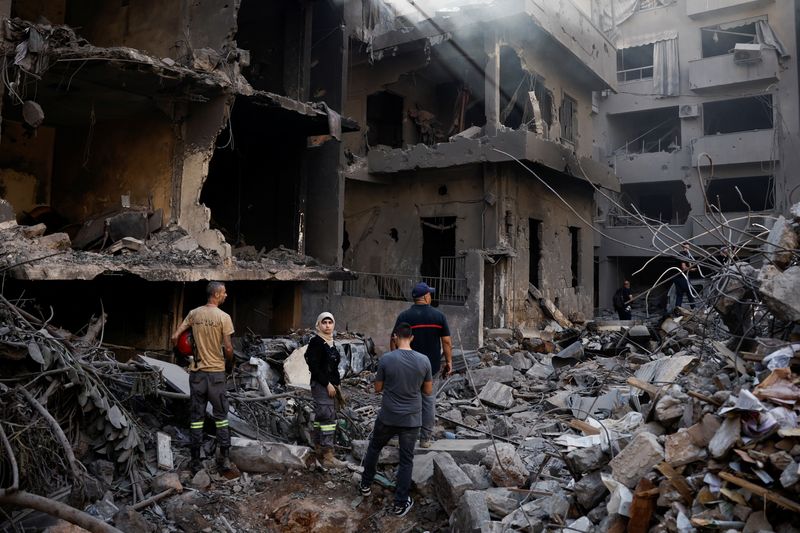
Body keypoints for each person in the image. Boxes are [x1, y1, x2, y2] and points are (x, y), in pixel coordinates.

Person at [359, 322, 432, 517]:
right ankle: (400, 503)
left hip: (388, 416)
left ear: (394, 337)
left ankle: (365, 484)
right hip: (411, 419)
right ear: (412, 338)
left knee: (374, 448)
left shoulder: (386, 359)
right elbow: (428, 391)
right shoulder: (424, 360)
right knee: (406, 460)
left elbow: (377, 388)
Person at [171, 281, 235, 473]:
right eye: (223, 292)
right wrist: (229, 365)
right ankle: (224, 459)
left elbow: (175, 337)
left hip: (197, 374)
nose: (226, 295)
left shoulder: (194, 314)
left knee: (196, 417)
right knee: (221, 417)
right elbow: (229, 348)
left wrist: (184, 356)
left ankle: (195, 461)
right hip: (216, 374)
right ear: (216, 294)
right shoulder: (224, 317)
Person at [391, 282, 452, 448]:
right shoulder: (438, 316)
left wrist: (395, 359)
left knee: (404, 400)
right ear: (425, 296)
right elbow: (446, 341)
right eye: (430, 294)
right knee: (428, 402)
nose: (431, 296)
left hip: (407, 368)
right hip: (430, 368)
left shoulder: (404, 317)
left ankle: (398, 437)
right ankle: (425, 439)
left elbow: (394, 339)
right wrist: (449, 362)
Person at [305, 312, 347, 469]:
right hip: (321, 385)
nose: (327, 325)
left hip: (331, 386)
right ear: (318, 325)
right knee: (328, 418)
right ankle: (328, 456)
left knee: (323, 417)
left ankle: (318, 449)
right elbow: (314, 367)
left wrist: (337, 384)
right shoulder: (316, 342)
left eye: (330, 322)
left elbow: (333, 368)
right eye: (324, 322)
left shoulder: (331, 343)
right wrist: (327, 384)